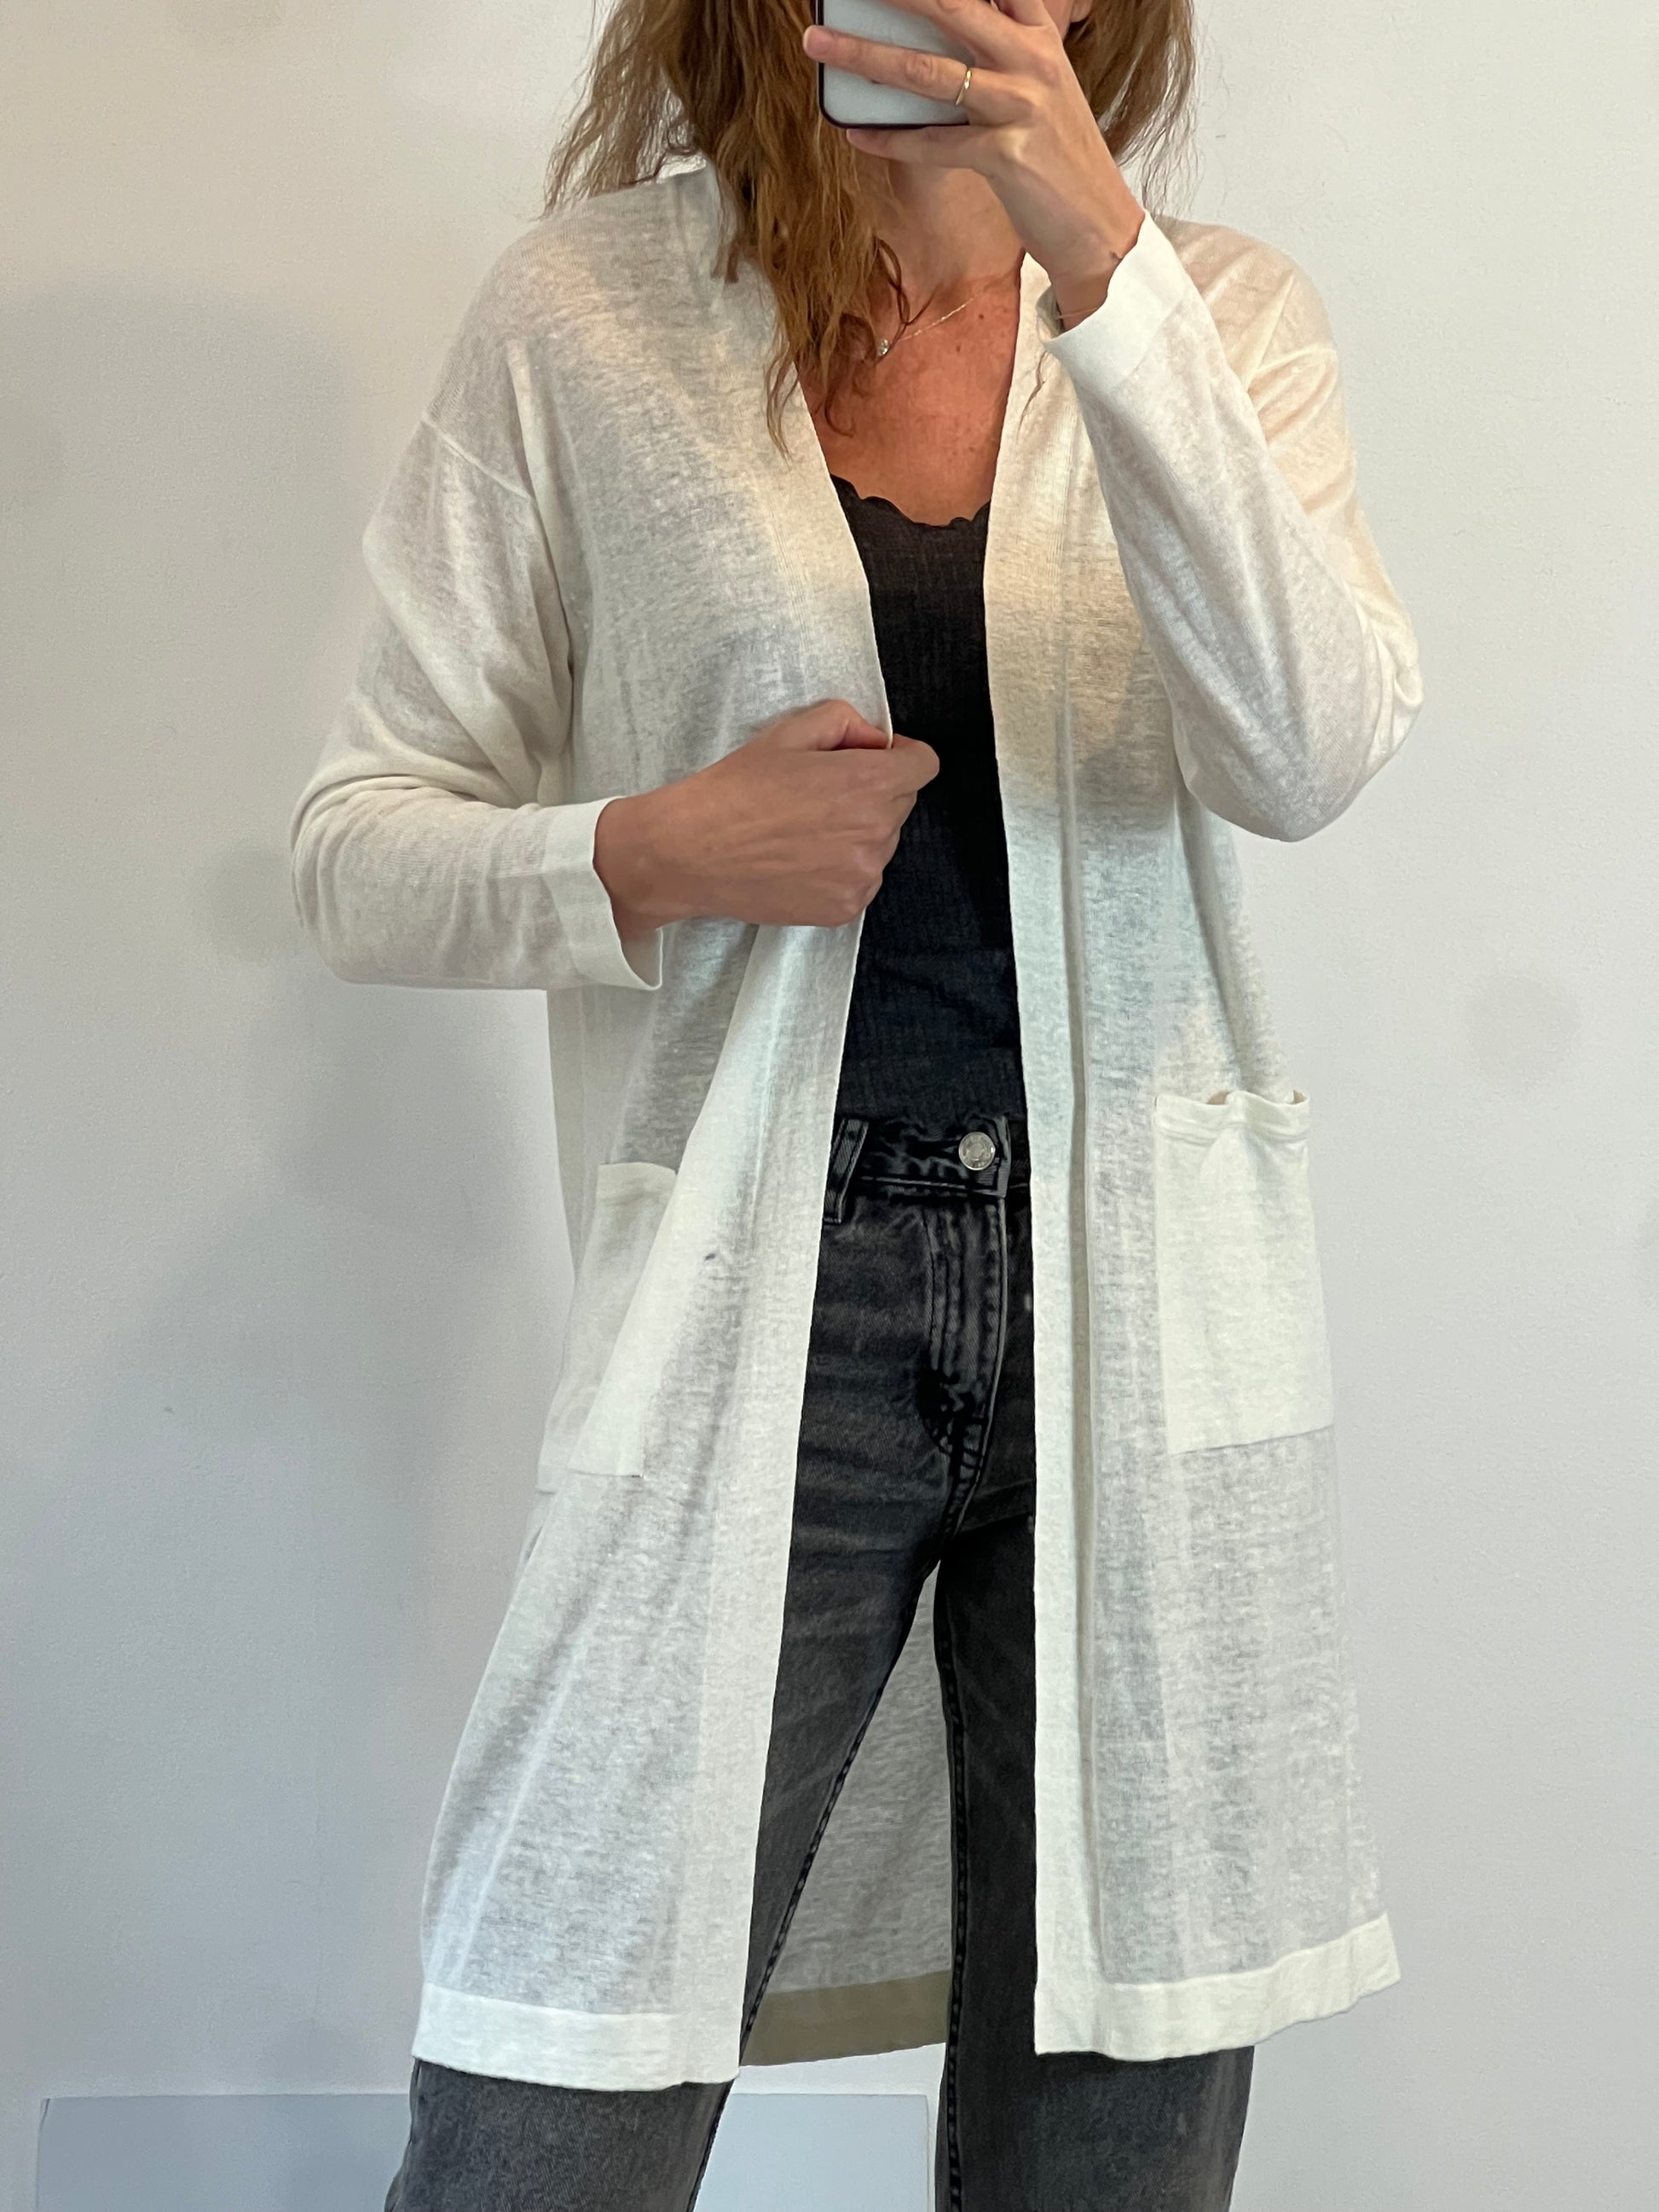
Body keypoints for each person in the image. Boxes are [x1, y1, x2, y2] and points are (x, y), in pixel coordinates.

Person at [289, 0, 1425, 2203]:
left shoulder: (1218, 313)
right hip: (761, 1302)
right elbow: (360, 846)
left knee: (1114, 2101)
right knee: (556, 2063)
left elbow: (1303, 749)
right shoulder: (588, 317)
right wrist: (649, 850)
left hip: (1135, 1297)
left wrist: (1106, 271)